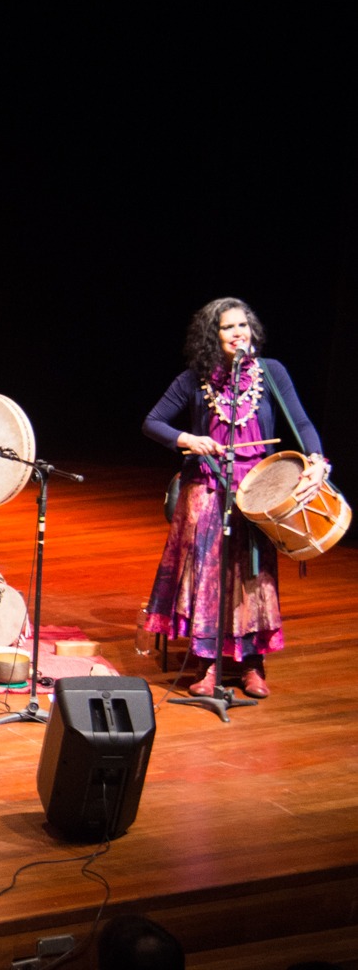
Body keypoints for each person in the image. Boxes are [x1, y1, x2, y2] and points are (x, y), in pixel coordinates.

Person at [142, 297, 328, 699]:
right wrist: (188, 439)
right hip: (209, 484)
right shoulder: (194, 379)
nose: (238, 333)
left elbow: (301, 422)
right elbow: (152, 422)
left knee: (253, 576)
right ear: (213, 335)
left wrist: (316, 460)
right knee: (209, 576)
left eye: (243, 325)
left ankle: (252, 664)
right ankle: (206, 664)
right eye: (228, 327)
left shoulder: (272, 372)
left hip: (259, 489)